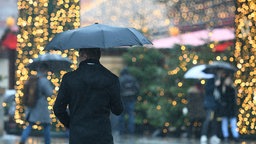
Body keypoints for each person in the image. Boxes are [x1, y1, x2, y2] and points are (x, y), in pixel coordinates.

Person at [53, 48, 123, 144]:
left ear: (84, 56)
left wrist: (71, 124)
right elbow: (118, 110)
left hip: (78, 136)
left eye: (79, 56)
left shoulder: (69, 78)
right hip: (102, 136)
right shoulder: (111, 78)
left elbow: (58, 108)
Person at [19, 63, 54, 144]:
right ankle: (47, 142)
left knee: (30, 124)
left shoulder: (32, 79)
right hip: (41, 106)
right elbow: (49, 93)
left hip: (32, 105)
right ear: (45, 70)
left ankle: (23, 140)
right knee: (46, 125)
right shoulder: (44, 80)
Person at [200, 70, 225, 144]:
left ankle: (214, 135)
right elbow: (207, 90)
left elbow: (220, 93)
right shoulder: (211, 79)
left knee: (215, 120)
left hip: (216, 104)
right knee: (208, 119)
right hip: (210, 104)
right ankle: (203, 135)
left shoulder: (220, 80)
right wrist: (215, 85)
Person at [118, 67, 139, 135]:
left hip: (122, 100)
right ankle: (131, 131)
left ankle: (121, 131)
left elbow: (117, 89)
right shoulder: (132, 79)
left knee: (121, 116)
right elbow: (137, 88)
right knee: (131, 116)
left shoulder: (120, 79)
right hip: (131, 99)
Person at [219, 75, 240, 142]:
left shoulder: (232, 89)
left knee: (233, 123)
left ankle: (235, 136)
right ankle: (226, 136)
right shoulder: (223, 88)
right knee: (225, 123)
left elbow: (232, 100)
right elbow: (222, 99)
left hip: (231, 109)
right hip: (225, 109)